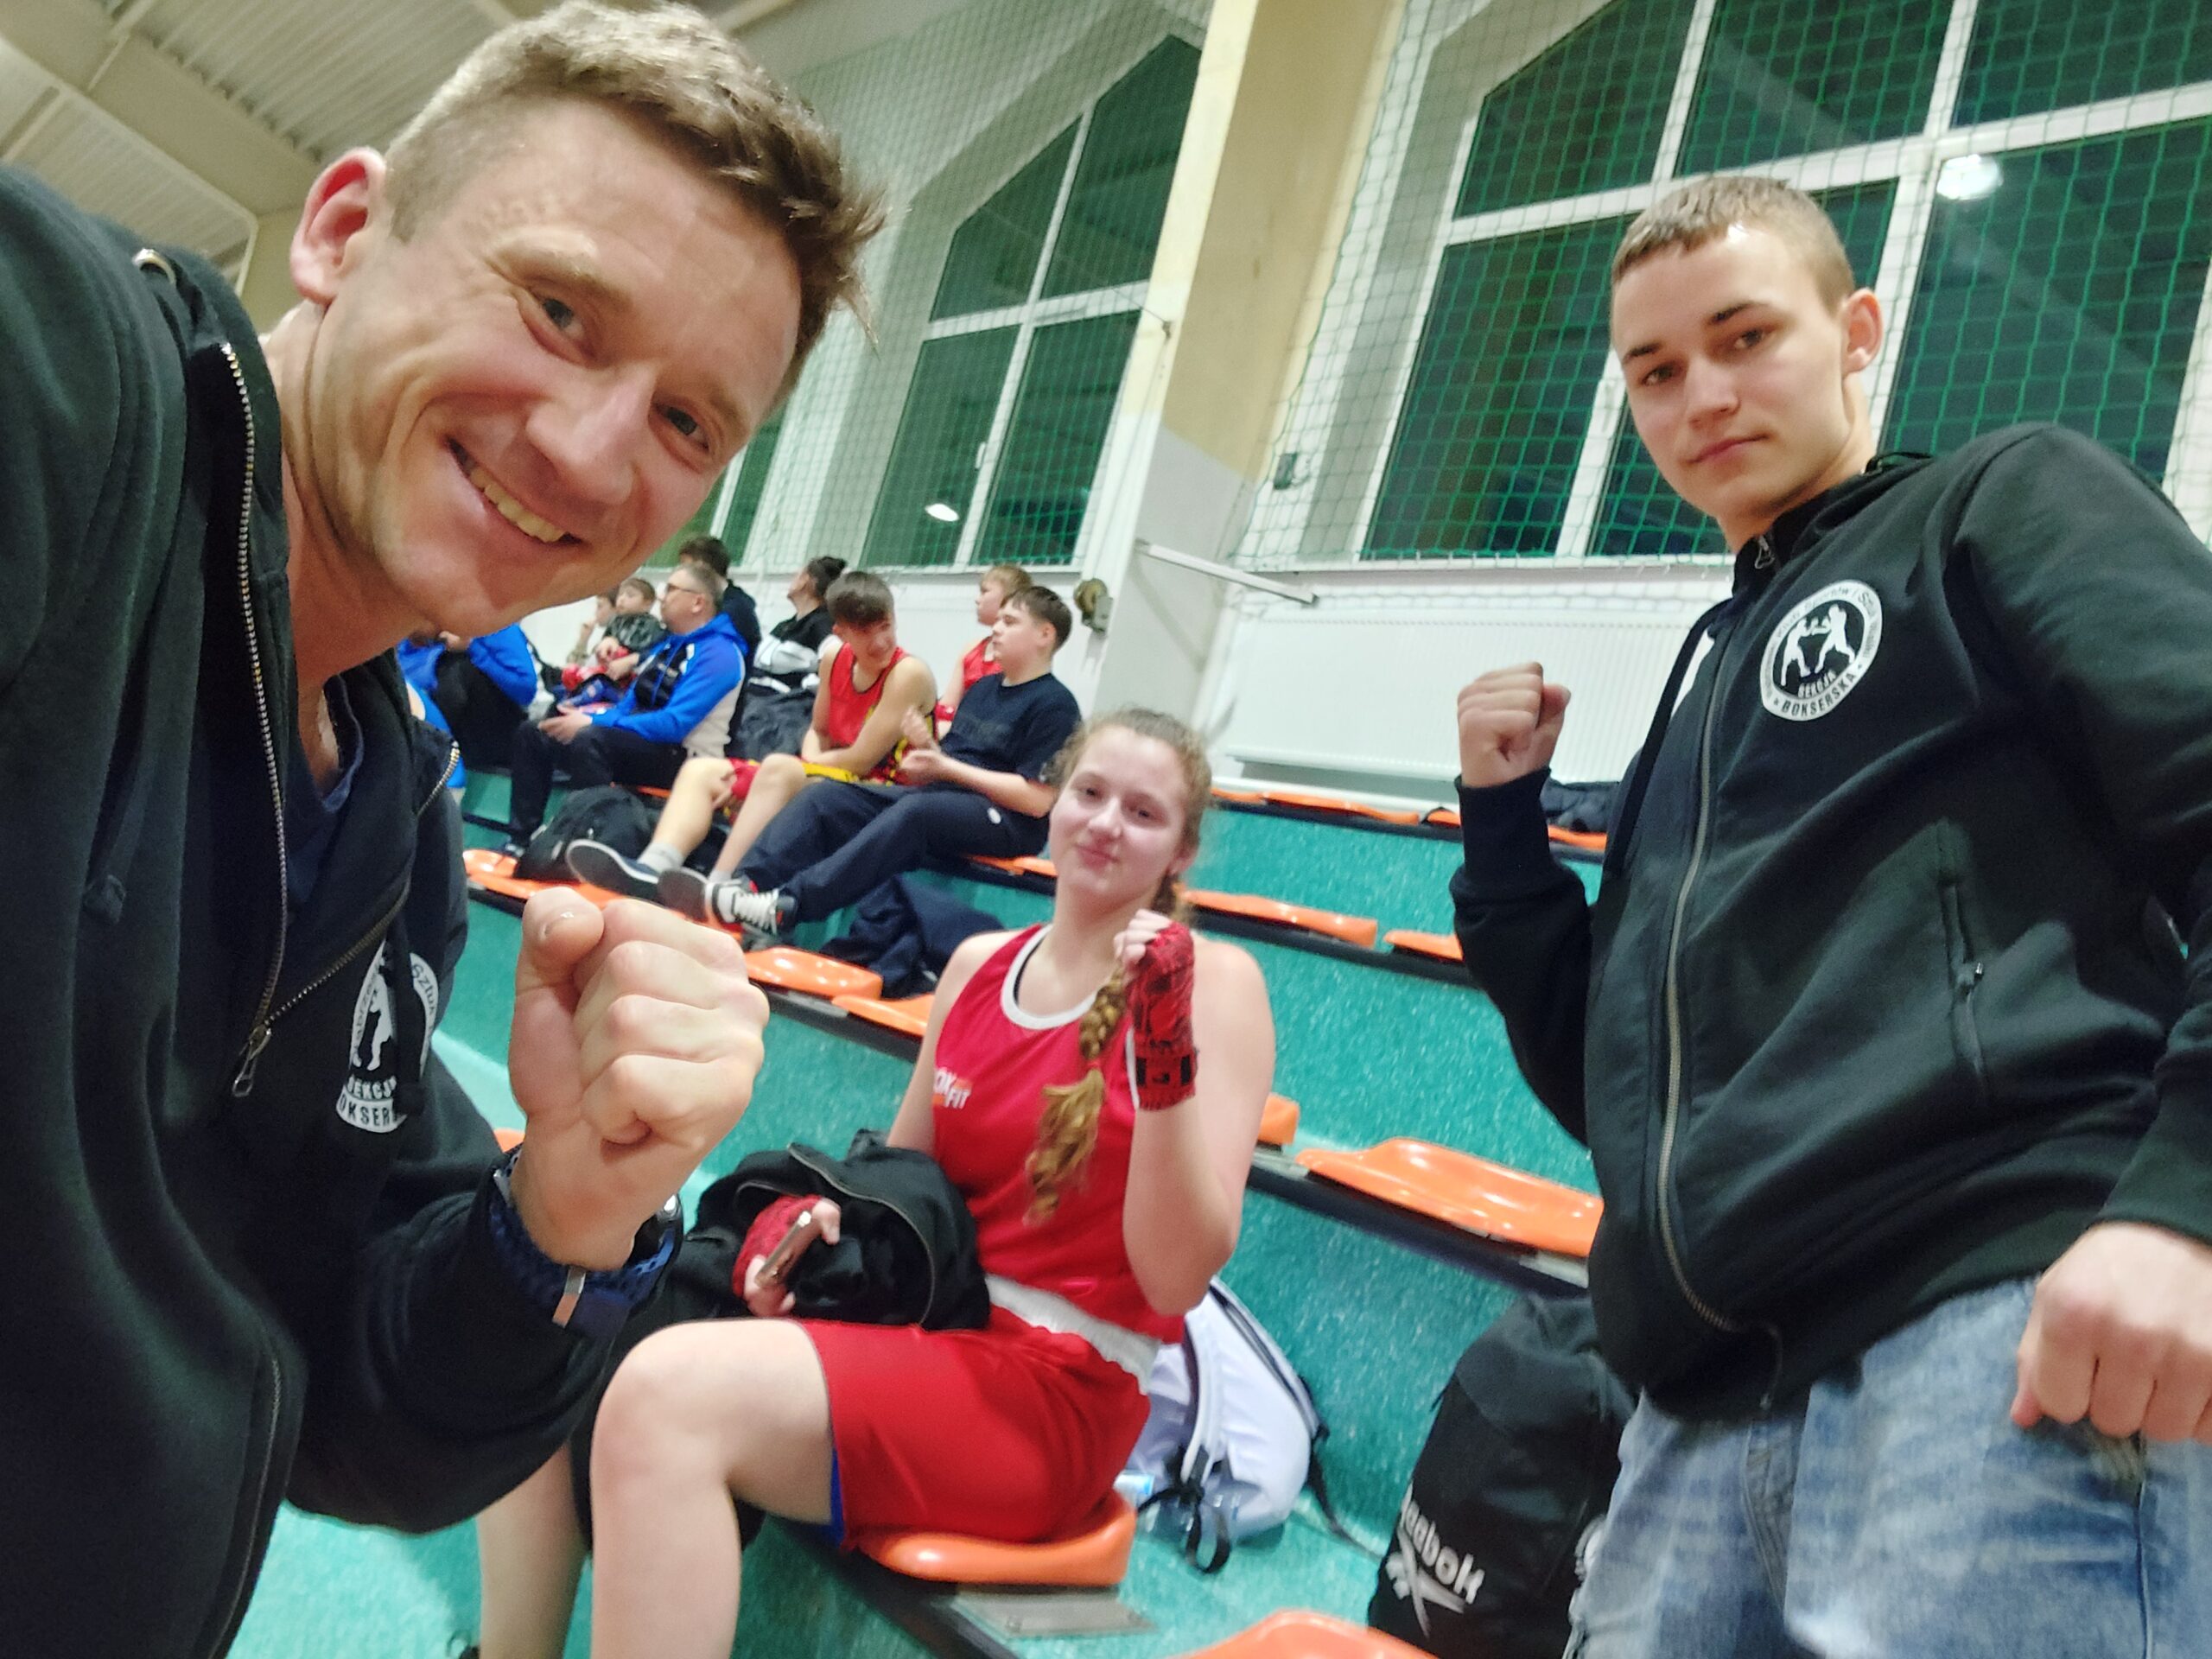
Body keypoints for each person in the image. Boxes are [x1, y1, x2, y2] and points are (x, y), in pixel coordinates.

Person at [0, 2, 880, 1650]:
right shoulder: (68, 381)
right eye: (559, 311)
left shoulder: (391, 832)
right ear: (342, 231)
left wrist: (566, 1213)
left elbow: (351, 1414)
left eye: (688, 422)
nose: (591, 453)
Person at [1449, 175, 2212, 1657]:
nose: (1701, 397)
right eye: (1656, 371)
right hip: (1697, 1406)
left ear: (1858, 331)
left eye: (1745, 339)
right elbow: (1620, 1089)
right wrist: (1502, 833)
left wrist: (2185, 1203)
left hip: (1986, 1333)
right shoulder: (1700, 693)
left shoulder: (2001, 502)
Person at [469, 708, 1276, 1658]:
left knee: (667, 1399)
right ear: (1055, 805)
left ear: (1181, 850)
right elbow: (900, 1194)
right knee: (565, 1329)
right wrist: (812, 1228)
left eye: (1142, 813)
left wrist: (1163, 1045)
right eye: (1090, 794)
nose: (1105, 823)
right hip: (933, 1328)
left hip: (1057, 1392)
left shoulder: (1218, 985)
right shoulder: (978, 966)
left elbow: (1174, 1279)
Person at [675, 583, 1081, 935]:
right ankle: (742, 888)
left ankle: (787, 907)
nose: (996, 628)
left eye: (1010, 622)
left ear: (1044, 635)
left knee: (918, 813)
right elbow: (950, 766)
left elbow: (1037, 800)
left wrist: (945, 767)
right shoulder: (983, 690)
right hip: (948, 798)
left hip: (1006, 820)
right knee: (828, 797)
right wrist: (928, 753)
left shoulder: (1056, 705)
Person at [569, 569, 936, 899]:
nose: (881, 641)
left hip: (882, 791)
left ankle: (721, 887)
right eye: (866, 632)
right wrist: (806, 764)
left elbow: (861, 761)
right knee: (702, 771)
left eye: (886, 626)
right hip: (830, 776)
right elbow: (818, 730)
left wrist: (801, 767)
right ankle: (651, 869)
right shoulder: (833, 659)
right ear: (840, 633)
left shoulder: (908, 674)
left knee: (779, 769)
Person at [503, 563, 748, 852]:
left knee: (591, 739)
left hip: (685, 760)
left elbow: (674, 725)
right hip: (642, 744)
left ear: (698, 602)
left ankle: (582, 842)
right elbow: (627, 706)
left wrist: (596, 723)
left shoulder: (720, 654)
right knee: (535, 732)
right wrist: (588, 715)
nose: (662, 596)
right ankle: (519, 842)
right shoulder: (666, 648)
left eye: (671, 589)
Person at [729, 554, 848, 759]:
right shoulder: (785, 625)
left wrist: (806, 685)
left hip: (778, 711)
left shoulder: (822, 625)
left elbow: (837, 665)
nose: (792, 579)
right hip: (751, 700)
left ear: (807, 582)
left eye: (798, 575)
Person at [394, 622, 541, 771]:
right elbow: (406, 678)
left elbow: (526, 689)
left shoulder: (495, 626)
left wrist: (472, 647)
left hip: (492, 731)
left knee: (457, 667)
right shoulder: (409, 641)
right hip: (434, 728)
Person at [938, 561, 1027, 725]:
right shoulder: (971, 649)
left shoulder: (1018, 655)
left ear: (1008, 598)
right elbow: (946, 706)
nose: (977, 600)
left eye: (984, 592)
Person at [678, 531, 763, 664]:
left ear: (703, 567)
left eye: (685, 567)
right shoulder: (701, 600)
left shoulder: (736, 609)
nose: (680, 573)